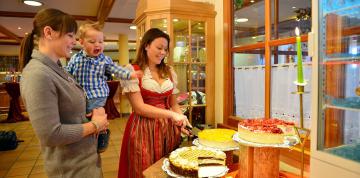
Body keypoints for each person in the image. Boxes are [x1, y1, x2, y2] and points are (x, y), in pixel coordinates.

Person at [19, 8, 108, 178]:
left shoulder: (59, 69)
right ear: (49, 33)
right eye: (70, 35)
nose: (74, 41)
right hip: (70, 170)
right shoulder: (38, 74)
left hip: (85, 162)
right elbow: (50, 135)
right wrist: (95, 125)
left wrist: (86, 114)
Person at [118, 28, 192, 178]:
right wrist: (172, 115)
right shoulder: (132, 71)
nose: (163, 52)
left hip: (167, 129)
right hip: (142, 128)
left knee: (167, 169)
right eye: (159, 47)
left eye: (165, 49)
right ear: (146, 45)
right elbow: (139, 108)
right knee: (143, 169)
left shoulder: (169, 71)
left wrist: (183, 121)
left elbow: (173, 104)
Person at [66, 21, 142, 117]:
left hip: (97, 94)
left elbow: (116, 69)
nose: (97, 45)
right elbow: (68, 72)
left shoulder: (104, 60)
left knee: (93, 115)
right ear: (81, 42)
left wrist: (130, 74)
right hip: (80, 94)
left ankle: (96, 123)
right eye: (92, 42)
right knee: (81, 115)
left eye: (101, 42)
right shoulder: (75, 58)